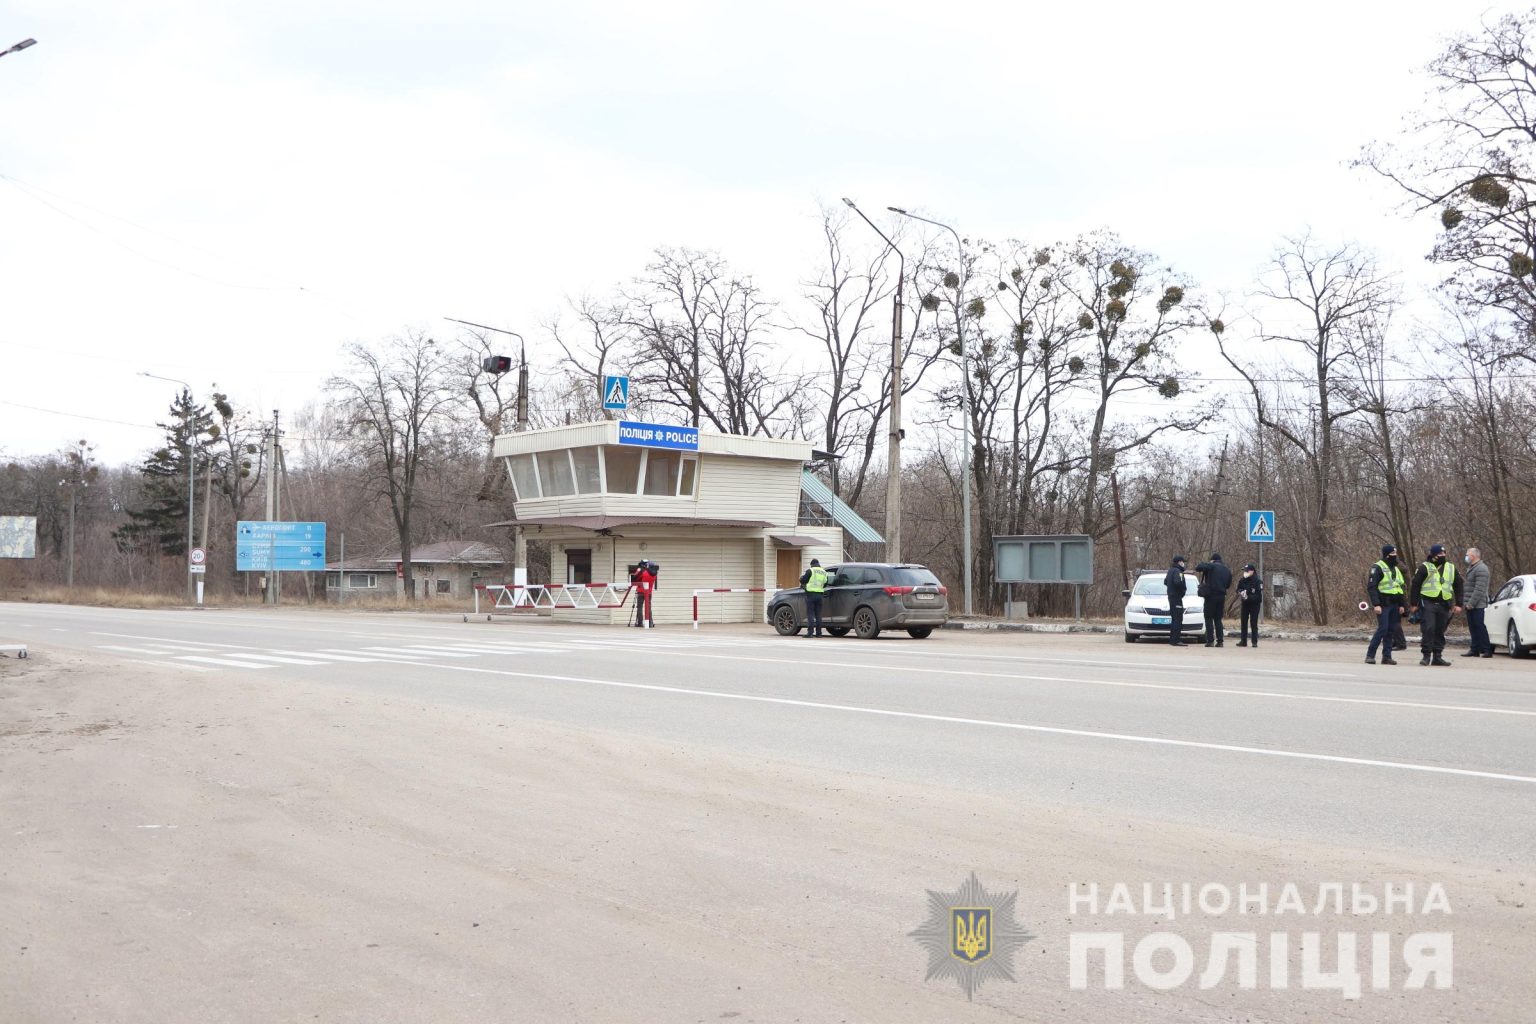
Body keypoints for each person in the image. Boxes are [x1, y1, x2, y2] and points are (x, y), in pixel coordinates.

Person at [1408, 544, 1463, 666]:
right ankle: (1426, 656)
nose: (1442, 556)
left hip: (1444, 603)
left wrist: (1459, 603)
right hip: (1428, 602)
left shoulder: (1451, 567)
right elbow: (1415, 585)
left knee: (1440, 630)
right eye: (1439, 554)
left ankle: (1437, 656)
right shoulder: (1424, 567)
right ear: (1433, 555)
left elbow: (1458, 585)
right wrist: (1413, 603)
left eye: (1444, 554)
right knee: (1429, 628)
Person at [1365, 544, 1407, 666]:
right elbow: (1371, 587)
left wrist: (1402, 605)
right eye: (1392, 554)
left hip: (1395, 604)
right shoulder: (1377, 567)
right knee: (1383, 629)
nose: (1395, 556)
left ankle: (1387, 657)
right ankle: (1370, 655)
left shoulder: (1396, 569)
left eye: (1396, 554)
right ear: (1387, 555)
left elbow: (1400, 588)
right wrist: (1376, 604)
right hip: (1383, 604)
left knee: (1391, 630)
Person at [1194, 553, 1233, 647]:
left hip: (1211, 596)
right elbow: (1228, 585)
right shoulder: (1227, 570)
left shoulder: (1211, 566)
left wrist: (1208, 564)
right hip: (1221, 596)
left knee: (1208, 618)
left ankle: (1210, 641)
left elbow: (1198, 567)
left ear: (1212, 560)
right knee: (1218, 619)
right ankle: (1220, 641)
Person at [1462, 547, 1493, 658]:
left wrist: (1471, 603)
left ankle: (1487, 649)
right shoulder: (1472, 567)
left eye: (1467, 554)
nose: (1466, 557)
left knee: (1479, 626)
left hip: (1477, 604)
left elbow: (1479, 589)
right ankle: (1475, 649)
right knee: (1472, 626)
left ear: (1473, 556)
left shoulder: (1481, 569)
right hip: (1470, 603)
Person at [799, 558, 830, 638]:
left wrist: (801, 580)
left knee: (810, 614)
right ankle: (819, 633)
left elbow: (803, 580)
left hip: (810, 595)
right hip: (819, 595)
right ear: (818, 564)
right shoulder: (824, 572)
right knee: (818, 615)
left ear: (812, 565)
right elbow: (826, 583)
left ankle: (810, 633)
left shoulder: (810, 571)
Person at [1164, 555, 1190, 646]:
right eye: (1183, 562)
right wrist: (1182, 590)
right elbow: (1178, 582)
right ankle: (1176, 640)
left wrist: (1171, 589)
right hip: (1176, 598)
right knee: (1178, 619)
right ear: (1179, 562)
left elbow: (1165, 582)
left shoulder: (1170, 570)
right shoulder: (1178, 571)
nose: (1184, 564)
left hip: (1171, 597)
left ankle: (1172, 639)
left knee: (1174, 618)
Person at [1235, 562, 1263, 648]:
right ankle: (1243, 641)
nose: (1245, 572)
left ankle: (1254, 642)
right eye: (1244, 571)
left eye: (1247, 571)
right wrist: (1240, 592)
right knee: (1243, 621)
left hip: (1254, 605)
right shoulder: (1243, 580)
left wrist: (1248, 597)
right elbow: (1238, 589)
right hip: (1245, 604)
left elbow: (1258, 596)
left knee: (1253, 622)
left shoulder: (1258, 581)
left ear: (1252, 571)